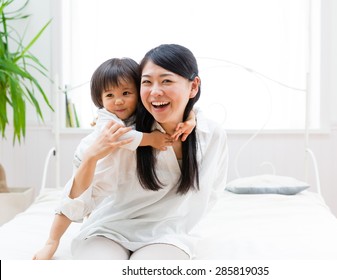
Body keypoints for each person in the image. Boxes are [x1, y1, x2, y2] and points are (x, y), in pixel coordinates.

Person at [39, 44, 228, 260]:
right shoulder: (120, 135)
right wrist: (52, 241)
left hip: (168, 235)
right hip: (108, 230)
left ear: (193, 86)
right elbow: (81, 197)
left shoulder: (209, 134)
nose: (155, 91)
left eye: (166, 80)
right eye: (147, 82)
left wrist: (191, 116)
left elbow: (211, 192)